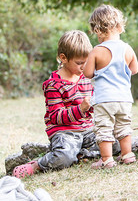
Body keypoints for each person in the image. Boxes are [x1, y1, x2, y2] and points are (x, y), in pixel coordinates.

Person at [12, 30, 97, 179]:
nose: (84, 67)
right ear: (63, 58)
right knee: (63, 156)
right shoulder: (54, 85)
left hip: (87, 130)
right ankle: (37, 164)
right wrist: (81, 109)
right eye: (79, 63)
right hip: (65, 133)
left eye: (87, 62)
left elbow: (92, 108)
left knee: (111, 143)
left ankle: (79, 153)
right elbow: (56, 117)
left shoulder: (86, 79)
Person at [84, 4, 138, 169]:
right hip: (124, 98)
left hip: (104, 99)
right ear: (120, 27)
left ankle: (107, 159)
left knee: (104, 128)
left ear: (97, 31)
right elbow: (134, 69)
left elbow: (87, 73)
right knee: (123, 126)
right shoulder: (127, 49)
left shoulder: (97, 50)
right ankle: (127, 154)